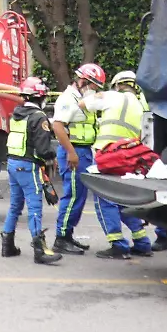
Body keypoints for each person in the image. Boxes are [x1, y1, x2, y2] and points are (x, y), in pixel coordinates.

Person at [80, 70, 152, 259]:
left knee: (105, 199)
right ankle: (142, 241)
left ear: (117, 85)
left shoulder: (112, 97)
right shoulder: (140, 104)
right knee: (122, 199)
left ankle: (118, 244)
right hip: (130, 159)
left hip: (107, 156)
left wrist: (88, 93)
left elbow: (83, 104)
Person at [1, 77, 62, 265]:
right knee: (35, 208)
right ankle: (39, 249)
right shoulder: (39, 117)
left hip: (13, 164)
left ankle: (7, 245)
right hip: (28, 166)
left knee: (15, 206)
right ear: (40, 97)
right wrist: (54, 154)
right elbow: (43, 150)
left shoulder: (17, 114)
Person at [51, 62, 106, 255]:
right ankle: (61, 238)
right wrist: (71, 152)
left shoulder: (80, 98)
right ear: (82, 81)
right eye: (93, 85)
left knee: (79, 196)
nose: (94, 90)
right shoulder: (68, 99)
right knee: (73, 195)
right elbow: (58, 126)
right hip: (74, 152)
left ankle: (67, 234)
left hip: (83, 152)